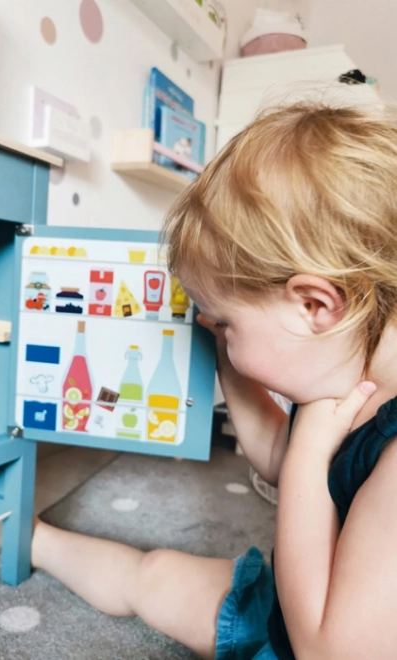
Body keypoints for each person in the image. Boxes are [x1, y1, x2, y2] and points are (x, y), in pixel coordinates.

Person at [32, 100, 397, 659]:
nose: (218, 334)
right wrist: (229, 352)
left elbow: (328, 651)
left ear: (315, 304)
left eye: (226, 324)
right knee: (151, 573)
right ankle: (29, 538)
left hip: (311, 641)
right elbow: (282, 450)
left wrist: (306, 457)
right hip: (293, 596)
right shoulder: (344, 360)